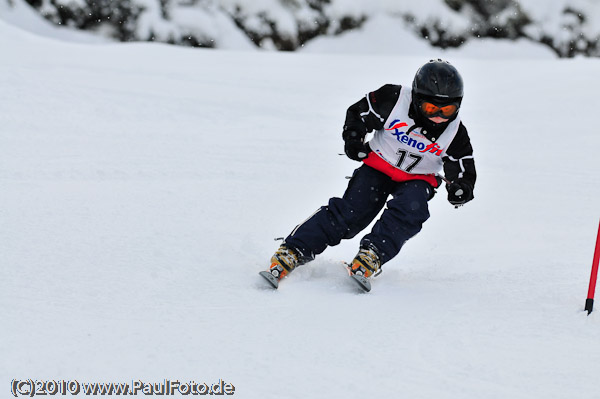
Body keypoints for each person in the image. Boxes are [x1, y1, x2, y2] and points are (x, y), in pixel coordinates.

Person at [260, 59, 476, 291]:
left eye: (448, 110)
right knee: (352, 213)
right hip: (378, 166)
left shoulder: (455, 133)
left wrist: (461, 186)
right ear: (416, 99)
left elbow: (462, 163)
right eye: (431, 109)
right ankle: (294, 249)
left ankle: (373, 253)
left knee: (412, 210)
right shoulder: (393, 99)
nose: (439, 117)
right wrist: (354, 138)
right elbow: (358, 113)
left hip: (417, 179)